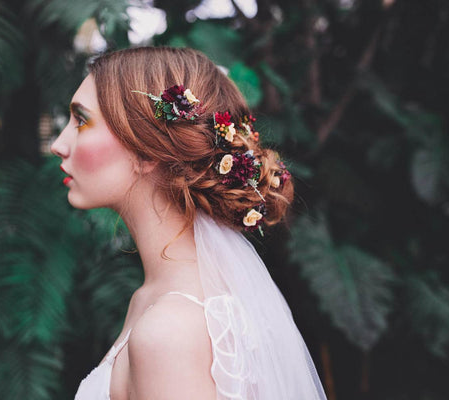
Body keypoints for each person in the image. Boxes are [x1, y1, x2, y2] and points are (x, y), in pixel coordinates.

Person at [51, 47, 327, 400]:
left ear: (147, 150)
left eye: (82, 121)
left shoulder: (169, 330)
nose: (60, 145)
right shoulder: (155, 301)